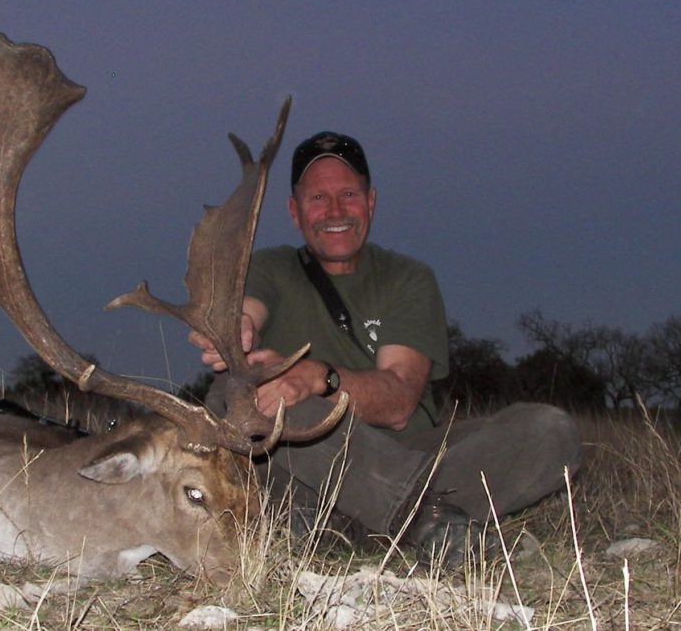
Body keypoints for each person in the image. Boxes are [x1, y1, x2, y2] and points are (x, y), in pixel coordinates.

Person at [191, 130, 582, 564]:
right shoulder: (271, 267)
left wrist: (319, 377)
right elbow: (247, 309)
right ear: (294, 212)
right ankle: (422, 521)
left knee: (551, 430)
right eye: (317, 198)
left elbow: (398, 403)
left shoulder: (407, 278)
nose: (335, 210)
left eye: (348, 194)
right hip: (308, 465)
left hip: (408, 457)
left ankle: (355, 521)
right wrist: (234, 326)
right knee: (247, 393)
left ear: (370, 201)